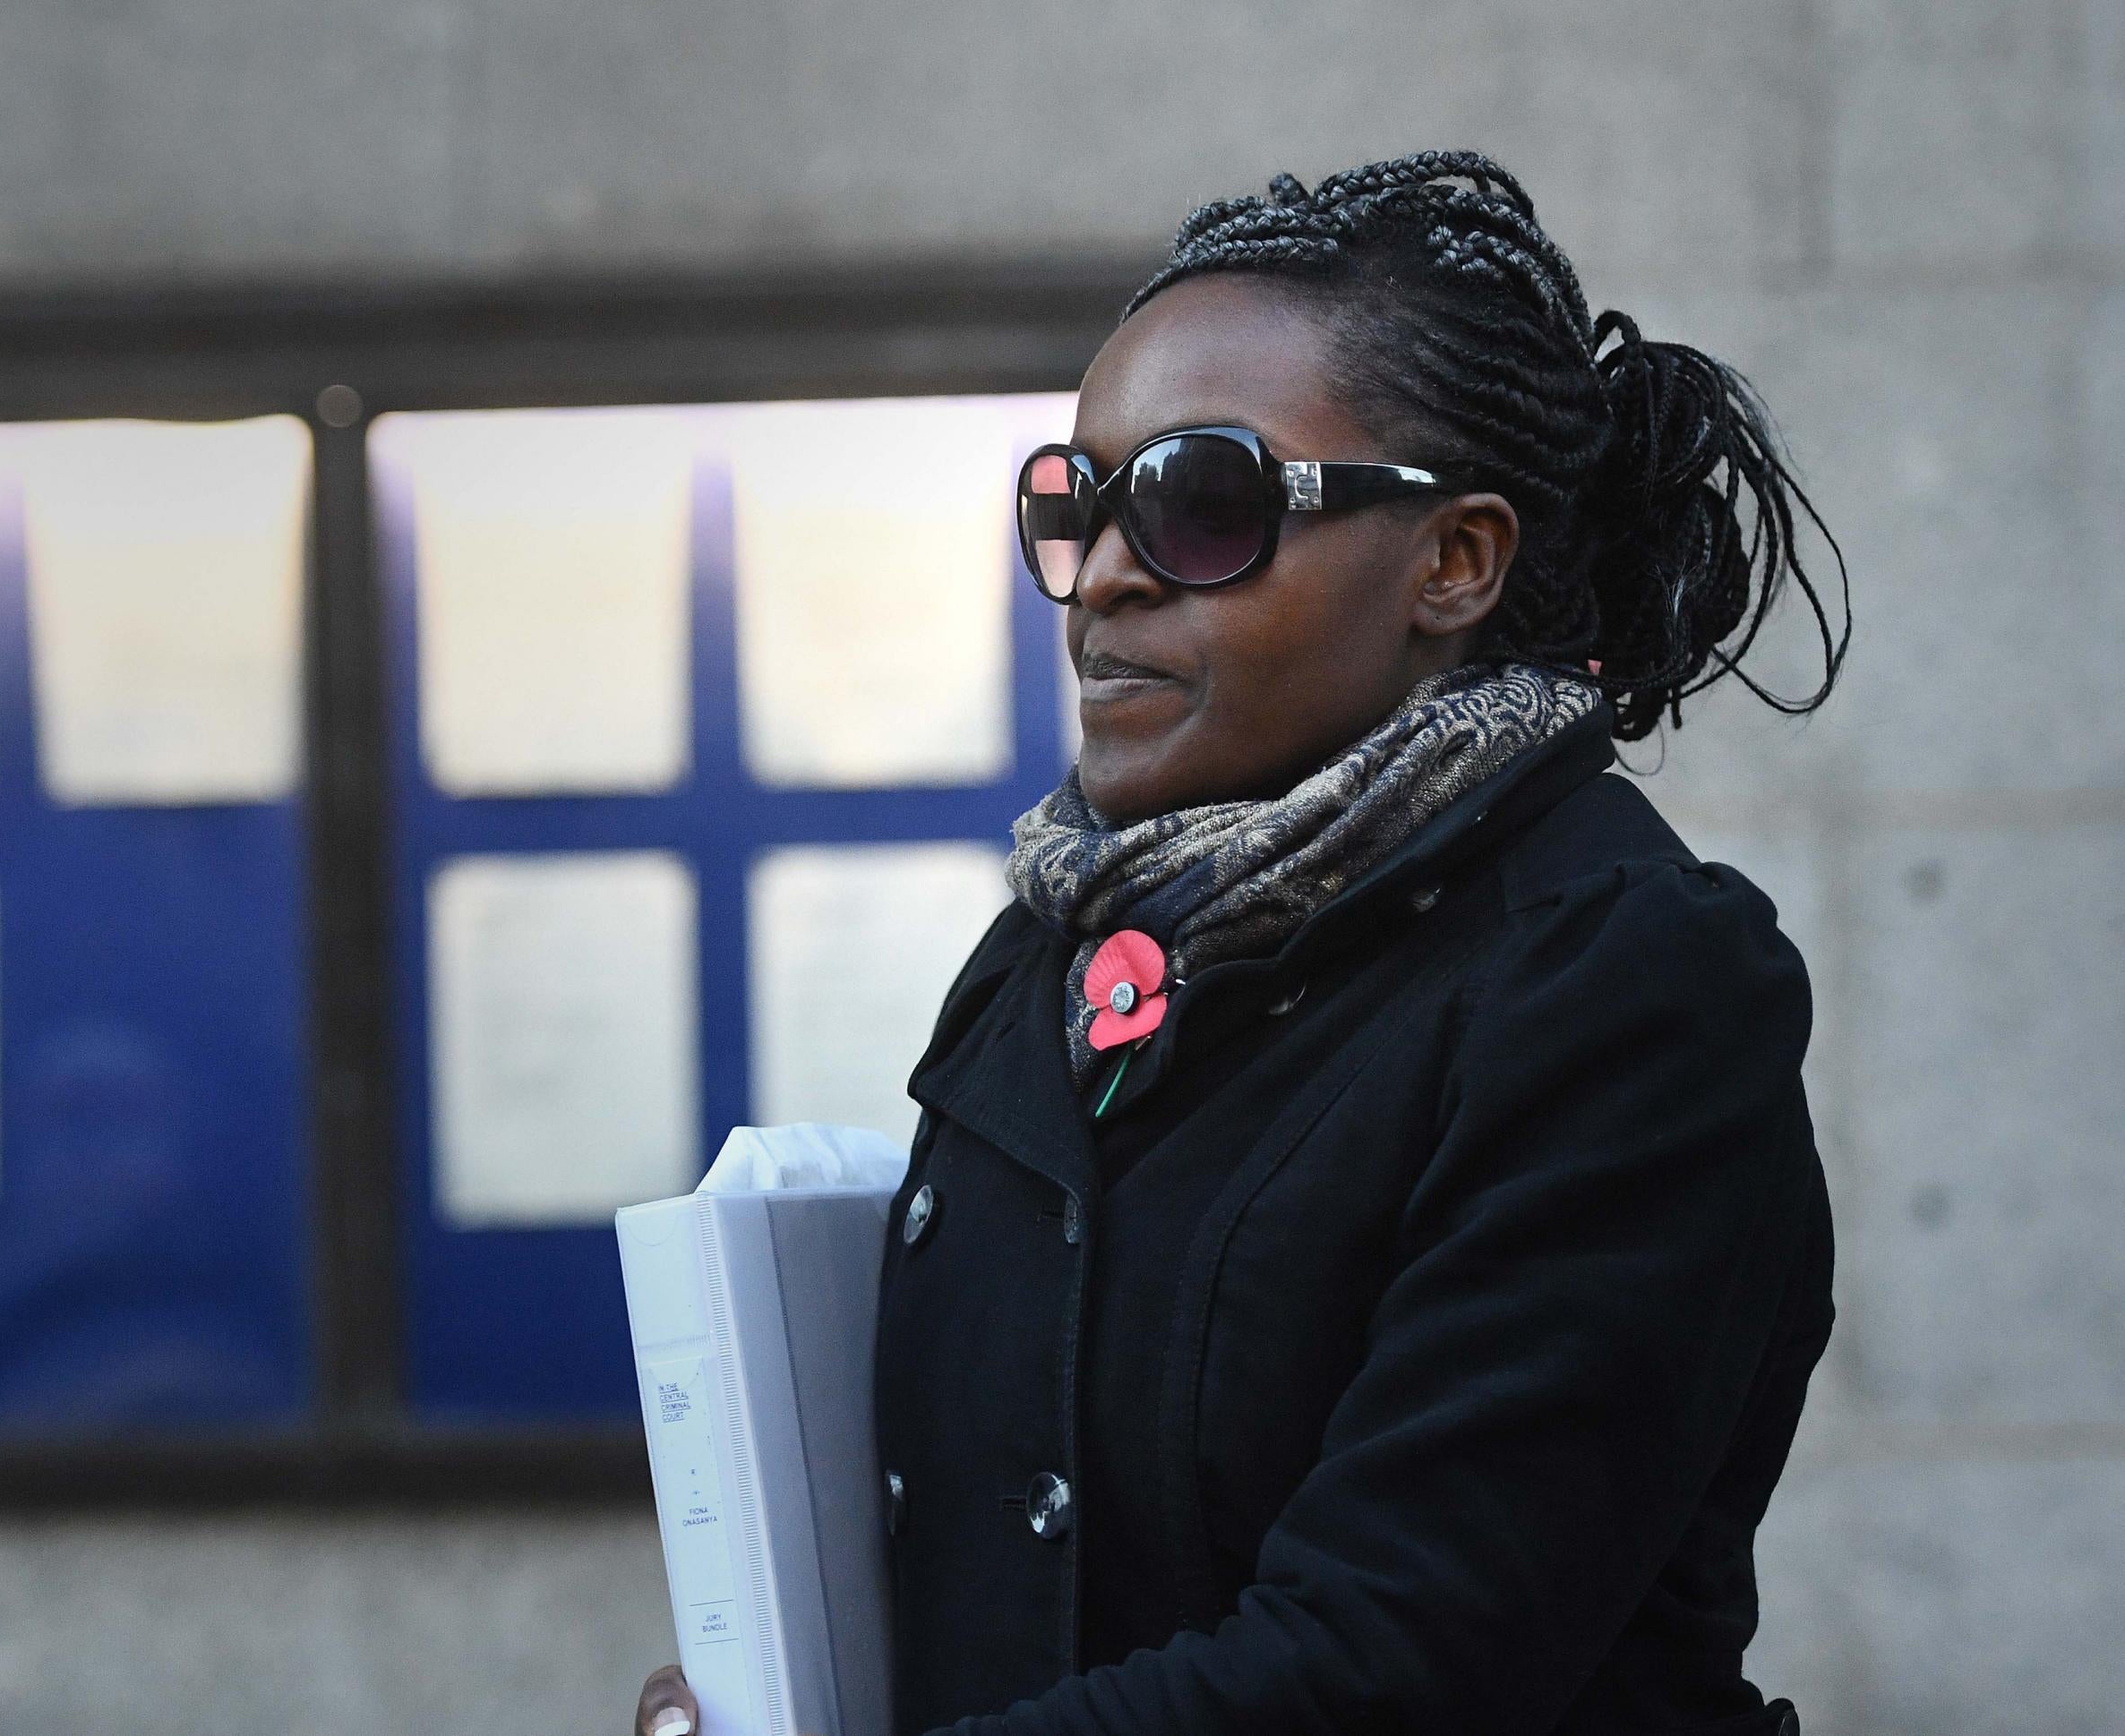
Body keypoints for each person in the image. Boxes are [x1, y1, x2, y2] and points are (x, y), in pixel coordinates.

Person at [639, 150, 1848, 1736]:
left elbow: (1397, 1664)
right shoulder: (1052, 959)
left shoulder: (1622, 986)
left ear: (1452, 561)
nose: (1108, 581)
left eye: (1206, 502)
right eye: (1078, 506)